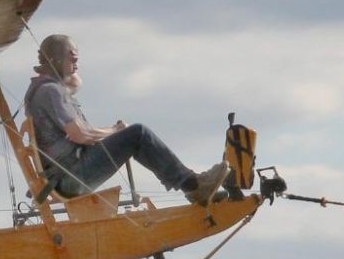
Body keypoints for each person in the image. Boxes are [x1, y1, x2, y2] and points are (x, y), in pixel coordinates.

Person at [21, 34, 229, 205]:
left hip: (64, 176)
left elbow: (76, 84)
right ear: (55, 59)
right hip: (71, 179)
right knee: (137, 134)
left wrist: (63, 70)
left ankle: (192, 185)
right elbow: (80, 134)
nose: (77, 63)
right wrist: (116, 130)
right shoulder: (51, 91)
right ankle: (194, 186)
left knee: (133, 135)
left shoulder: (45, 89)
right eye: (72, 58)